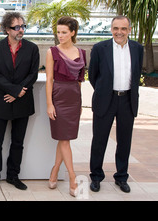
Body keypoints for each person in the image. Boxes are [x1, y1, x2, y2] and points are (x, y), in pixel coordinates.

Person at [88, 15, 143, 193]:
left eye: (123, 29)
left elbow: (135, 75)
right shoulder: (99, 48)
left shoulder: (137, 48)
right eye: (116, 28)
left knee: (124, 141)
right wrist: (104, 91)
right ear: (111, 29)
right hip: (106, 99)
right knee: (99, 140)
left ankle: (121, 176)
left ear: (129, 30)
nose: (119, 32)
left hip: (127, 100)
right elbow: (93, 75)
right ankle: (96, 177)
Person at [0, 12, 39, 191]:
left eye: (23, 26)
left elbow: (33, 74)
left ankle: (13, 175)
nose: (21, 30)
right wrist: (15, 90)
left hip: (23, 102)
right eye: (17, 27)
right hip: (1, 100)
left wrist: (18, 93)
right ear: (7, 29)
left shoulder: (32, 48)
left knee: (18, 142)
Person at [45, 16, 86, 197]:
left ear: (72, 33)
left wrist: (81, 103)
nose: (60, 35)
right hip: (58, 97)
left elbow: (79, 81)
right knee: (64, 139)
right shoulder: (52, 52)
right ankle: (72, 177)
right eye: (58, 32)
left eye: (63, 32)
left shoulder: (82, 53)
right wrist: (49, 104)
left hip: (74, 98)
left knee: (65, 139)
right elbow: (49, 80)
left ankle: (54, 170)